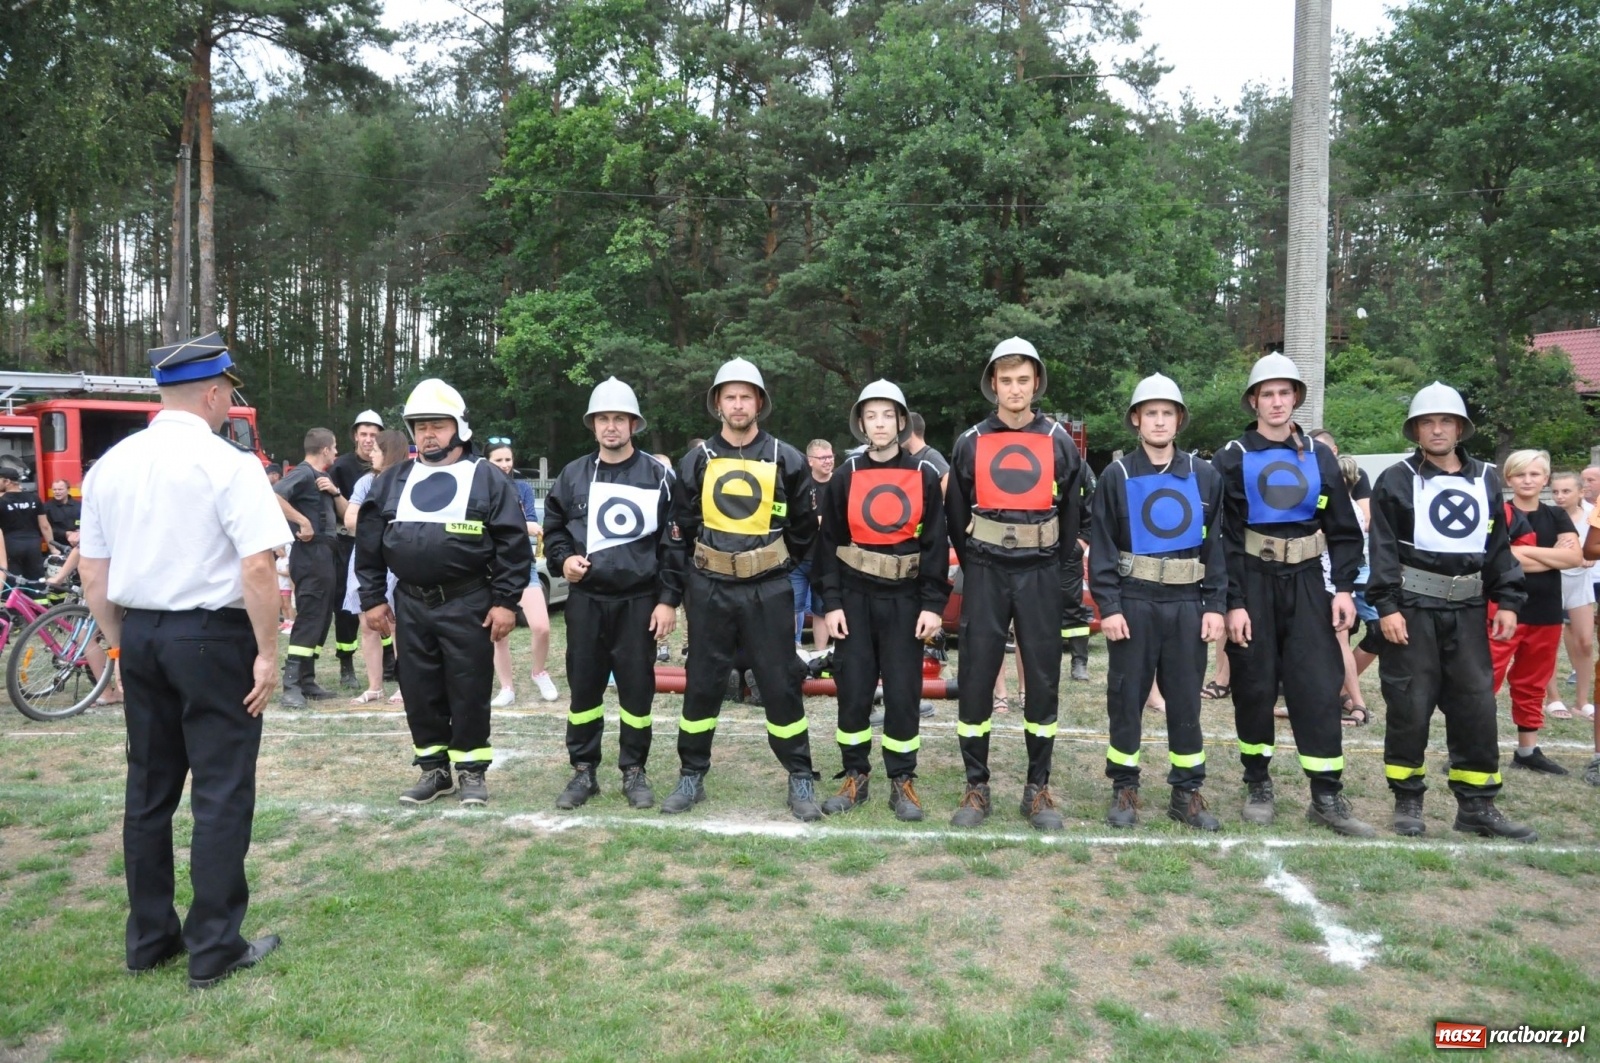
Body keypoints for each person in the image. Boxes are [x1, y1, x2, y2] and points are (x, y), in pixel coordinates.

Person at [77, 332, 284, 989]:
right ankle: (214, 945)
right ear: (215, 394)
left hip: (141, 632)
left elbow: (93, 572)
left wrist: (120, 641)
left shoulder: (111, 464)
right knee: (221, 789)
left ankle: (149, 939)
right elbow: (258, 566)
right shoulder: (229, 463)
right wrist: (267, 652)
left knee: (148, 791)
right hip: (213, 637)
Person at [1210, 353, 1374, 836]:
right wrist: (1233, 601)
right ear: (1254, 401)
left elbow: (1343, 529)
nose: (1277, 402)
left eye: (1285, 393)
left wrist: (1344, 588)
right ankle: (1258, 783)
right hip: (1253, 581)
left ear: (1296, 398)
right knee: (1254, 685)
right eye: (1268, 394)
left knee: (1317, 686)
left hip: (1308, 581)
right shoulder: (1232, 456)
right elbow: (1223, 535)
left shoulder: (1320, 456)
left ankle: (1326, 795)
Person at [1366, 383, 1535, 839]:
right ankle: (1407, 799)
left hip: (1469, 610)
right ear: (1416, 430)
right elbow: (1382, 547)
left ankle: (1477, 804)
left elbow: (1497, 545)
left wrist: (1509, 600)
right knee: (1409, 705)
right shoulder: (1395, 479)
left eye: (1446, 421)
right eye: (1427, 422)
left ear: (1460, 428)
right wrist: (1386, 606)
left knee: (1476, 707)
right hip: (1412, 610)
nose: (1437, 430)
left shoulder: (1487, 478)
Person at [356, 380, 531, 806]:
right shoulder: (392, 480)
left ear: (459, 428)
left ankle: (471, 771)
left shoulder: (486, 478)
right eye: (420, 427)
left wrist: (506, 602)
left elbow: (513, 545)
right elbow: (369, 544)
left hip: (469, 601)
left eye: (437, 425)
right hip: (411, 604)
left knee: (469, 686)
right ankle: (434, 770)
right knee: (418, 688)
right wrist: (372, 598)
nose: (428, 435)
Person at [664, 357, 821, 819]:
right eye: (729, 397)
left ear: (759, 403)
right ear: (718, 403)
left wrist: (772, 563)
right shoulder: (696, 460)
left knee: (780, 681)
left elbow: (804, 528)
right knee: (702, 682)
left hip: (768, 588)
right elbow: (681, 528)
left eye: (745, 396)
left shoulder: (787, 458)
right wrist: (682, 589)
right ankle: (691, 774)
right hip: (709, 587)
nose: (737, 405)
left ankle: (799, 775)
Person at [946, 337, 1085, 830]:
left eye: (1023, 380)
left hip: (1040, 571)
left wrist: (1050, 559)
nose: (1015, 389)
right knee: (976, 675)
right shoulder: (970, 441)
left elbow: (1073, 511)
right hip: (985, 570)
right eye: (1006, 380)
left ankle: (1037, 787)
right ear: (993, 384)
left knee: (1043, 679)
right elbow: (955, 511)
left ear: (1036, 382)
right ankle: (976, 785)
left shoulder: (1059, 440)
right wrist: (977, 559)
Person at [1090, 374, 1226, 831]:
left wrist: (1215, 605)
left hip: (1187, 602)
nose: (1160, 421)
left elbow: (1217, 547)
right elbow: (1103, 545)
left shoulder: (1205, 476)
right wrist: (1109, 607)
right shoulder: (1117, 475)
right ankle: (1124, 787)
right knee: (1126, 697)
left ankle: (1186, 791)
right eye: (1151, 413)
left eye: (1168, 413)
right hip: (1134, 601)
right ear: (1136, 419)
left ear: (1180, 419)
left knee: (1185, 700)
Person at [542, 378, 683, 810]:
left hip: (639, 602)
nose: (611, 426)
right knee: (584, 689)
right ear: (592, 424)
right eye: (603, 418)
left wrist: (667, 600)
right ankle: (584, 770)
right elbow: (554, 529)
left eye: (619, 418)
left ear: (633, 424)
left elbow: (673, 544)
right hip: (587, 601)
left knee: (637, 691)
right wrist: (563, 560)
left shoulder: (659, 476)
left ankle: (634, 769)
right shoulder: (573, 474)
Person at [812, 380, 949, 821]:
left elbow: (935, 544)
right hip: (854, 600)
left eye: (888, 415)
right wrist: (832, 603)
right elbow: (829, 544)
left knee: (904, 693)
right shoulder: (845, 475)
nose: (880, 424)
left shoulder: (924, 474)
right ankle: (856, 775)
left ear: (901, 421)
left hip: (906, 601)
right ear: (861, 423)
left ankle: (902, 778)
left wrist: (932, 605)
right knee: (853, 691)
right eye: (871, 416)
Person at [1493, 449, 1581, 775]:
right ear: (1509, 478)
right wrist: (1549, 555)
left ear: (1545, 478)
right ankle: (1472, 747)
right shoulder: (1499, 513)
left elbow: (1574, 558)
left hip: (1546, 611)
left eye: (1534, 474)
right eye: (1520, 474)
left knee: (1533, 683)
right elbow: (1499, 559)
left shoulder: (1557, 515)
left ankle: (1527, 751)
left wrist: (1522, 553)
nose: (1527, 480)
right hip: (1502, 609)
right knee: (1486, 680)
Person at [482, 439, 560, 705]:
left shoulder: (523, 488)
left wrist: (528, 526)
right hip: (491, 568)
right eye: (498, 460)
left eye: (508, 459)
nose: (505, 465)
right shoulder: (479, 490)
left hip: (522, 565)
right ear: (486, 463)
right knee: (499, 634)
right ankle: (507, 688)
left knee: (541, 627)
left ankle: (539, 672)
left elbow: (531, 523)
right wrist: (522, 526)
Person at [272, 428, 345, 708]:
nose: (336, 452)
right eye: (334, 447)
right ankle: (291, 684)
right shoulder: (303, 473)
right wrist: (302, 521)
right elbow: (274, 495)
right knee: (311, 614)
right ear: (325, 449)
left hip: (326, 553)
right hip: (311, 553)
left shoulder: (321, 478)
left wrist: (334, 491)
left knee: (322, 617)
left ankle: (306, 679)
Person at [342, 430, 410, 704]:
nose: (371, 453)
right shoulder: (366, 482)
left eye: (377, 450)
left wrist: (372, 521)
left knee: (398, 625)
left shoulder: (409, 481)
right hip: (366, 558)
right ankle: (375, 686)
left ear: (390, 452)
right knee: (367, 623)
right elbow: (349, 520)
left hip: (398, 559)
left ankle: (405, 685)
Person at [329, 411, 388, 690]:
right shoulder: (341, 467)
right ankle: (346, 663)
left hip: (382, 548)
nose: (368, 440)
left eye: (373, 435)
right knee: (347, 605)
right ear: (355, 436)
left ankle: (389, 660)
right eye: (363, 434)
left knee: (386, 601)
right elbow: (335, 509)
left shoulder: (393, 470)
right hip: (347, 543)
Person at [1546, 470, 1595, 721]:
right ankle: (1553, 698)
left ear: (1581, 492)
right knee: (1549, 642)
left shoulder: (1592, 517)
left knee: (1585, 642)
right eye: (1555, 491)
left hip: (1581, 582)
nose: (1560, 496)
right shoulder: (1547, 516)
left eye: (1566, 491)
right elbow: (1536, 550)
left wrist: (1590, 556)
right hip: (1552, 582)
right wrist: (1554, 551)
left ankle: (1582, 701)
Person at [790, 439, 834, 656]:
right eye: (822, 458)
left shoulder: (840, 483)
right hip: (798, 558)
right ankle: (793, 651)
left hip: (827, 559)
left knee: (821, 610)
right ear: (810, 461)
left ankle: (820, 654)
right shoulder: (801, 485)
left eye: (830, 456)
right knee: (792, 607)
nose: (828, 461)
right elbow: (792, 517)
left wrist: (818, 521)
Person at [0, 465, 58, 579]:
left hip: (10, 546)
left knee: (14, 581)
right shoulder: (34, 498)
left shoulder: (1, 501)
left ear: (7, 481)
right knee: (36, 580)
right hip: (33, 545)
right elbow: (45, 526)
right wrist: (53, 548)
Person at [905, 412, 951, 495]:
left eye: (902, 431)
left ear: (909, 432)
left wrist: (935, 499)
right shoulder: (909, 457)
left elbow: (947, 477)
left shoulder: (931, 455)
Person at [43, 479, 81, 547]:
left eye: (60, 489)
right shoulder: (47, 507)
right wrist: (65, 533)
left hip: (78, 545)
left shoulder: (79, 506)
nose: (57, 492)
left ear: (68, 490)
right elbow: (45, 528)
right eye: (54, 489)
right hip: (58, 546)